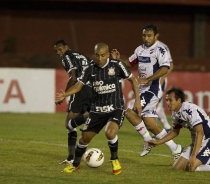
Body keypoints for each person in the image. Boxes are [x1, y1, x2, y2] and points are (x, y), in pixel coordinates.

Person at [56, 42, 143, 175]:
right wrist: (65, 94)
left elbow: (133, 80)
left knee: (110, 133)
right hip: (97, 110)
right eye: (97, 55)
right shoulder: (90, 68)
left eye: (103, 55)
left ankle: (115, 160)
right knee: (84, 139)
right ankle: (75, 164)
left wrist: (137, 101)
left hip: (116, 107)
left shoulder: (117, 65)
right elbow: (78, 86)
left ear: (107, 54)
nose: (100, 58)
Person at [111, 24, 182, 159]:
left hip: (152, 89)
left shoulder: (160, 50)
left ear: (155, 36)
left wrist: (148, 79)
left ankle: (148, 141)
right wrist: (117, 60)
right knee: (150, 123)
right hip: (142, 89)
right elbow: (129, 63)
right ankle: (176, 149)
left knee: (130, 113)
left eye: (149, 36)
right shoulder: (139, 50)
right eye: (144, 35)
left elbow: (165, 68)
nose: (146, 38)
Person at [148, 87, 210, 172]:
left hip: (208, 140)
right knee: (177, 167)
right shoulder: (176, 113)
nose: (168, 103)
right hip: (197, 142)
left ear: (179, 100)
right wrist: (158, 142)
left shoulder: (189, 110)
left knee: (191, 167)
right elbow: (175, 132)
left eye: (170, 100)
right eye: (166, 100)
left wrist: (193, 155)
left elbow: (200, 132)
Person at [54, 40, 92, 164]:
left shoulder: (67, 57)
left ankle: (71, 158)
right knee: (79, 126)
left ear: (66, 47)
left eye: (60, 49)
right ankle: (72, 158)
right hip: (92, 89)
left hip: (80, 89)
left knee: (69, 123)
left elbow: (73, 77)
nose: (59, 53)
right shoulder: (81, 55)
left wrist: (64, 94)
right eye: (57, 51)